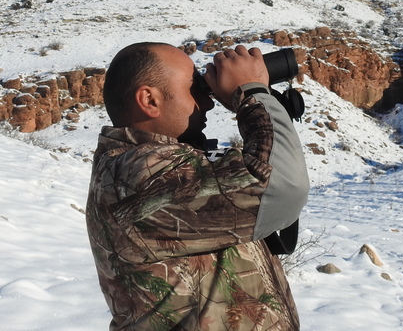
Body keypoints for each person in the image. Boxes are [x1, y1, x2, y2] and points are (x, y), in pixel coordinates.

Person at [86, 42, 309, 331]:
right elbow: (282, 187)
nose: (207, 102)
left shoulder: (165, 163)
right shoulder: (138, 174)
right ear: (149, 100)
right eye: (195, 90)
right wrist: (251, 92)